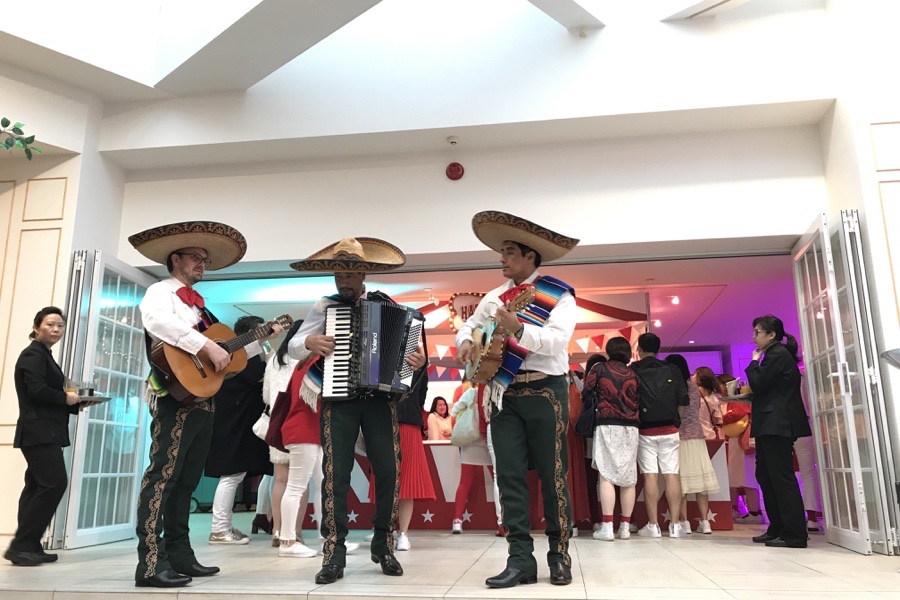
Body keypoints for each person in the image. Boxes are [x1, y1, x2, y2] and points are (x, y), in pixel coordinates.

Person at [128, 221, 281, 588]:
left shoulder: (202, 309)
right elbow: (156, 322)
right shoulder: (160, 292)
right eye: (195, 257)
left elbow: (224, 356)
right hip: (173, 397)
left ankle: (180, 555)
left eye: (205, 260)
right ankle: (150, 562)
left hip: (203, 400)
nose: (202, 264)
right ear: (175, 259)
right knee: (163, 476)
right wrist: (205, 346)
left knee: (186, 480)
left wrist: (255, 341)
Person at [287, 237, 426, 585]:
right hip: (339, 399)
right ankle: (334, 553)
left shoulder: (385, 304)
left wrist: (417, 362)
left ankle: (384, 545)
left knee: (389, 472)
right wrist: (309, 342)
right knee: (336, 475)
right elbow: (292, 346)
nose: (343, 282)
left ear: (363, 274)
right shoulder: (325, 306)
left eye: (349, 275)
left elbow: (409, 353)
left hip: (380, 400)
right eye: (338, 275)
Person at [456, 210, 579, 588]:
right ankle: (520, 560)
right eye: (503, 251)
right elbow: (469, 326)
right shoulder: (494, 297)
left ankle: (559, 556)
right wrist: (465, 342)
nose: (502, 258)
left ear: (530, 256)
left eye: (510, 252)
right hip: (504, 395)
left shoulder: (558, 295)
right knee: (508, 477)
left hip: (546, 391)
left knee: (552, 476)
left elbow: (557, 342)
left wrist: (519, 329)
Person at [4, 307, 96, 566]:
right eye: (50, 324)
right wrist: (67, 398)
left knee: (36, 486)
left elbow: (49, 393)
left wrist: (77, 402)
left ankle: (30, 545)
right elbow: (37, 391)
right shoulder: (33, 354)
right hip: (39, 431)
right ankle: (21, 546)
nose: (56, 329)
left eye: (60, 325)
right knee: (54, 484)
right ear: (36, 328)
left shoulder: (43, 355)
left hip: (44, 430)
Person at [206, 315, 274, 546]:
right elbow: (260, 376)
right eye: (260, 332)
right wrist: (270, 361)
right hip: (232, 424)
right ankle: (219, 529)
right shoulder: (237, 356)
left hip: (235, 423)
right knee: (231, 476)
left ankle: (223, 526)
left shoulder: (241, 355)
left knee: (235, 475)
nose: (264, 336)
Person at [746, 314, 812, 549]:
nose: (754, 336)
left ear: (772, 335)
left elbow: (758, 383)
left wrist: (753, 362)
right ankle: (777, 528)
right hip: (771, 423)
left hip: (777, 423)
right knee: (766, 476)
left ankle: (794, 534)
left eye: (758, 332)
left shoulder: (777, 354)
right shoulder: (775, 354)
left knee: (781, 478)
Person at [631, 332, 689, 539]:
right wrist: (677, 421)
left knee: (650, 476)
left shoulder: (634, 370)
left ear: (639, 349)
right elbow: (683, 399)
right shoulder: (672, 369)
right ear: (658, 349)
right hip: (670, 429)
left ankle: (653, 525)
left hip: (645, 430)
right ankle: (675, 525)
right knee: (672, 474)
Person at [583, 337, 640, 542]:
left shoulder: (599, 369)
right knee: (628, 477)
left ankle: (607, 527)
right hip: (631, 427)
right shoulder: (634, 373)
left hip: (606, 424)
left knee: (606, 474)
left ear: (608, 350)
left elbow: (586, 392)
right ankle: (624, 527)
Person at [665, 354, 718, 535]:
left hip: (678, 437)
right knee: (701, 483)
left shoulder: (672, 387)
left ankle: (684, 522)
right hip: (697, 437)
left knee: (680, 482)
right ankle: (705, 522)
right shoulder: (695, 388)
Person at [450, 383, 495, 534]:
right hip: (488, 439)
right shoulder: (495, 393)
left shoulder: (471, 393)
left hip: (470, 440)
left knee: (465, 481)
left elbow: (455, 410)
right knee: (498, 481)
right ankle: (502, 521)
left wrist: (460, 424)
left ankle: (457, 520)